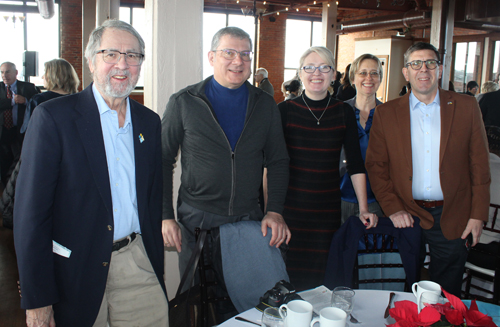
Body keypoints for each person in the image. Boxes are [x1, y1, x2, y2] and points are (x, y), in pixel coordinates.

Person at [14, 19, 168, 326]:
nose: (122, 64)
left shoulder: (149, 123)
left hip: (137, 262)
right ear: (90, 60)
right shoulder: (54, 119)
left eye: (133, 55)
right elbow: (30, 216)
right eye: (110, 54)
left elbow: (152, 197)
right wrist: (38, 298)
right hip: (75, 271)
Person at [162, 26, 290, 318]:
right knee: (197, 301)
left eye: (245, 54)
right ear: (211, 57)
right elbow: (161, 159)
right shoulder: (184, 102)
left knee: (247, 302)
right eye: (229, 53)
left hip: (247, 218)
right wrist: (165, 215)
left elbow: (278, 161)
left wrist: (275, 211)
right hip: (198, 218)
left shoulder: (264, 104)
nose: (238, 61)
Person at [366, 42, 490, 297]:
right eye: (416, 64)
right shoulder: (386, 113)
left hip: (453, 214)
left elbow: (479, 164)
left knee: (447, 294)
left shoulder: (467, 107)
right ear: (406, 72)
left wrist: (478, 215)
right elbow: (376, 167)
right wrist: (394, 207)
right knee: (403, 286)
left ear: (440, 70)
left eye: (430, 63)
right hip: (406, 213)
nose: (424, 69)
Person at [278, 46, 377, 290]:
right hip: (291, 209)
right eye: (309, 67)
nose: (316, 73)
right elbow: (272, 165)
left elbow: (355, 164)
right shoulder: (284, 111)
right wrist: (273, 211)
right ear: (300, 73)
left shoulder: (344, 112)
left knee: (323, 280)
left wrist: (363, 208)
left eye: (324, 67)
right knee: (289, 279)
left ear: (334, 74)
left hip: (326, 211)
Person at [0, 58, 80, 229]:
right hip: (72, 163)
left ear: (53, 76)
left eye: (45, 73)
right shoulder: (80, 99)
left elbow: (26, 133)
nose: (43, 77)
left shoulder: (40, 100)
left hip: (42, 160)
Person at [340, 54, 385, 223]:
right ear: (352, 78)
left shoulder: (389, 115)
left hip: (377, 200)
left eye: (374, 73)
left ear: (380, 79)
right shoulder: (339, 112)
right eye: (363, 73)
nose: (369, 78)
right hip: (339, 198)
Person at [0, 62, 39, 185]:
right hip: (3, 131)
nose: (4, 75)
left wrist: (26, 101)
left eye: (7, 72)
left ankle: (20, 186)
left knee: (21, 161)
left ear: (16, 73)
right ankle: (6, 189)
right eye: (2, 72)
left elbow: (38, 105)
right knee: (4, 161)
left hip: (21, 130)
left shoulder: (28, 87)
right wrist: (12, 101)